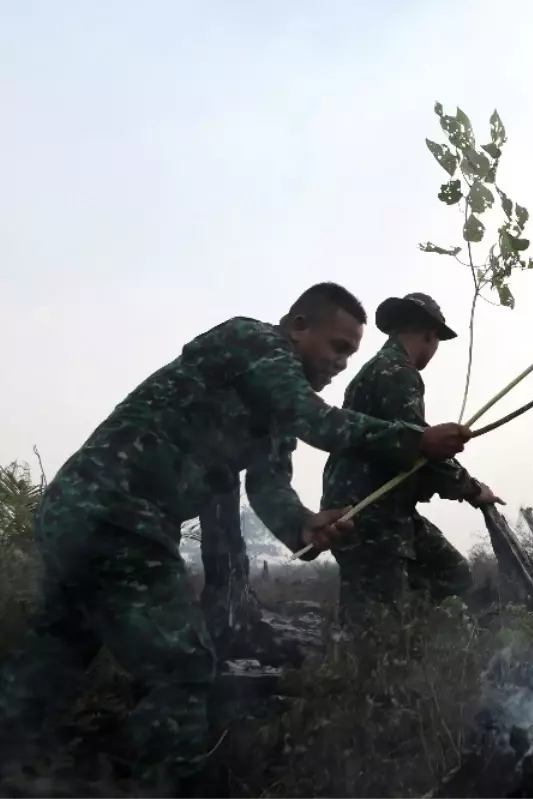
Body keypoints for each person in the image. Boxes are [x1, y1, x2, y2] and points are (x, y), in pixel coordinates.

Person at [0, 283, 472, 795]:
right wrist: (413, 440)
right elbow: (313, 419)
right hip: (118, 516)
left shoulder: (274, 409)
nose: (341, 364)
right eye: (337, 347)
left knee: (55, 655)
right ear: (297, 326)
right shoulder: (252, 342)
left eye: (350, 354)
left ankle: (14, 762)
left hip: (85, 514)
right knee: (182, 669)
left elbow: (270, 484)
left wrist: (303, 525)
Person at [322, 293, 503, 630]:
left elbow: (407, 446)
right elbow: (419, 449)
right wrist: (472, 489)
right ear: (429, 336)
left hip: (384, 511)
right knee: (375, 625)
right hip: (367, 515)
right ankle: (375, 664)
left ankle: (414, 643)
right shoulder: (398, 373)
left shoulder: (376, 370)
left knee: (452, 571)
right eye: (437, 341)